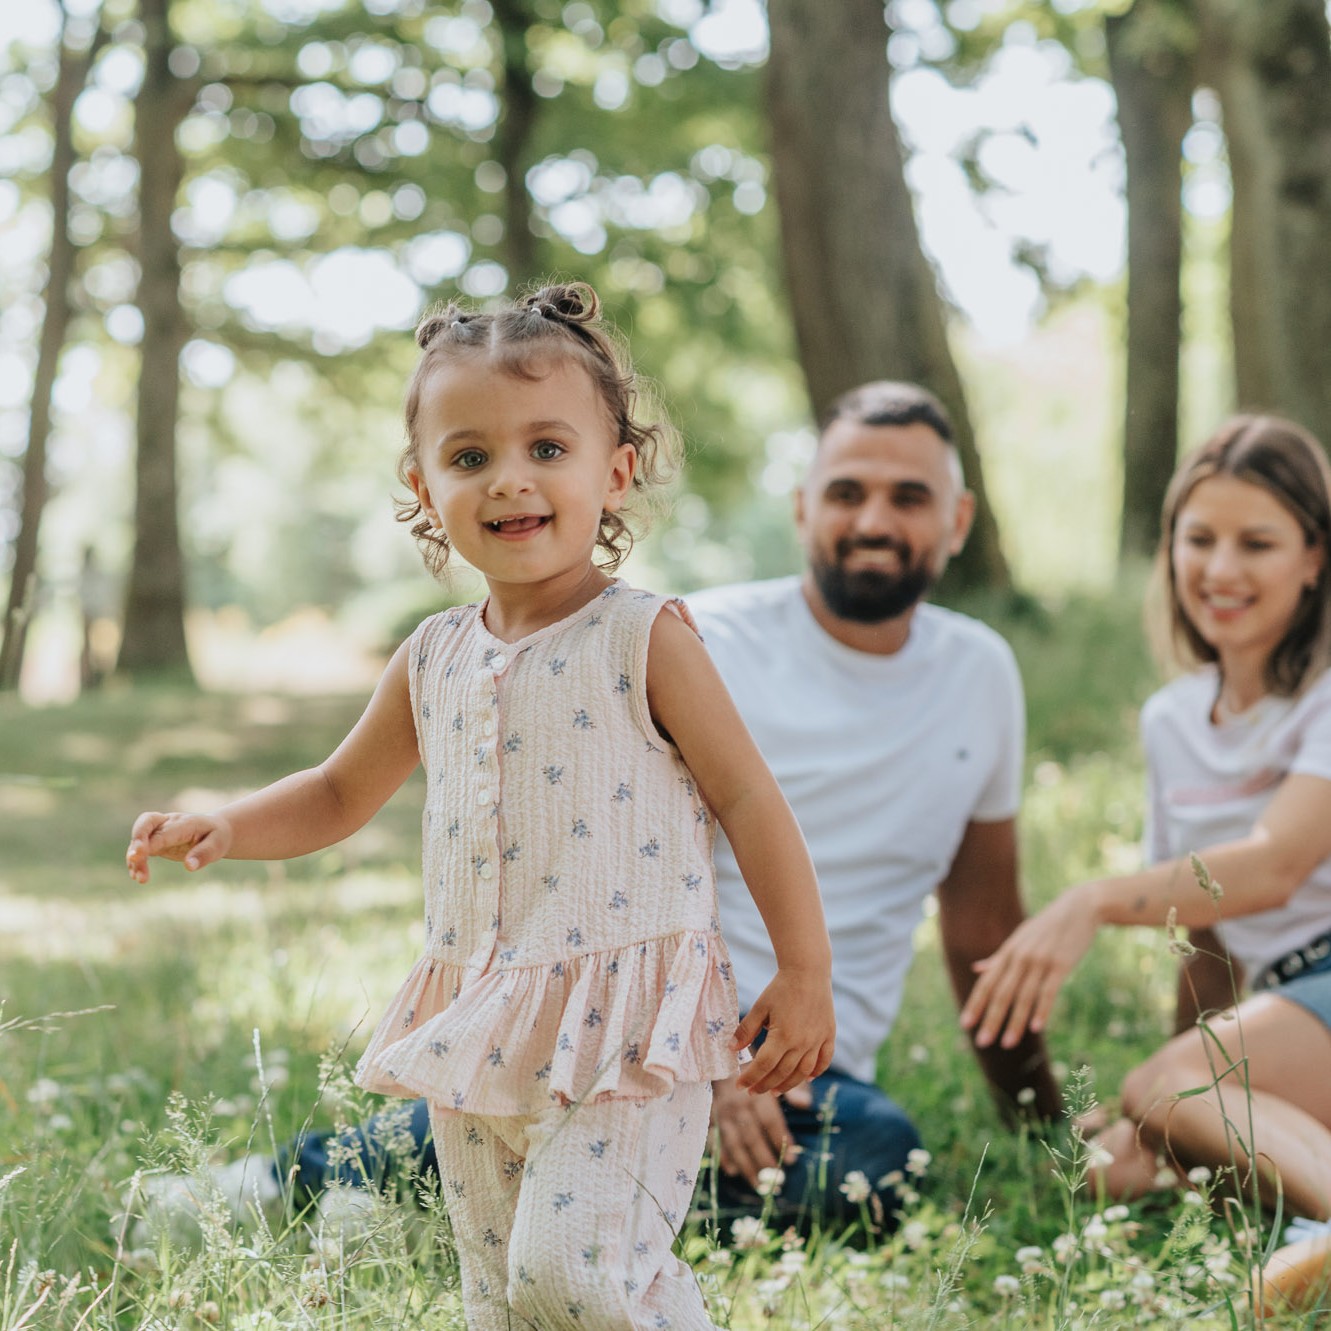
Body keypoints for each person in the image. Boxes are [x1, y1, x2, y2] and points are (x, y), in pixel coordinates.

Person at [125, 378, 1059, 1242]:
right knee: (542, 1101)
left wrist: (1043, 1123)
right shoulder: (685, 636)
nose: (874, 519)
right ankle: (309, 1182)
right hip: (644, 1016)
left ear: (957, 520)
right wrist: (705, 1049)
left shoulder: (981, 673)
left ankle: (478, 1214)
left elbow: (983, 925)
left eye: (908, 497)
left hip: (807, 1072)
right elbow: (601, 850)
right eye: (847, 491)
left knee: (877, 1156)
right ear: (802, 505)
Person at [125, 282, 835, 1331]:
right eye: (469, 457)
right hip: (477, 1019)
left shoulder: (644, 637)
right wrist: (228, 824)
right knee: (499, 1298)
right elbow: (336, 790)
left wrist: (804, 969)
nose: (509, 478)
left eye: (547, 447)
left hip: (624, 1025)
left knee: (574, 1277)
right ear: (424, 484)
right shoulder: (433, 654)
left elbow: (748, 797)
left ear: (614, 470)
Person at [960, 414, 1331, 1229]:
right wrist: (1167, 1100)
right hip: (1290, 1007)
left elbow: (1272, 866)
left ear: (1313, 557)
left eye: (1256, 543)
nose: (1219, 569)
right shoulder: (1171, 719)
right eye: (1198, 539)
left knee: (1165, 1091)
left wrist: (1091, 900)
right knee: (1111, 1163)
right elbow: (1205, 932)